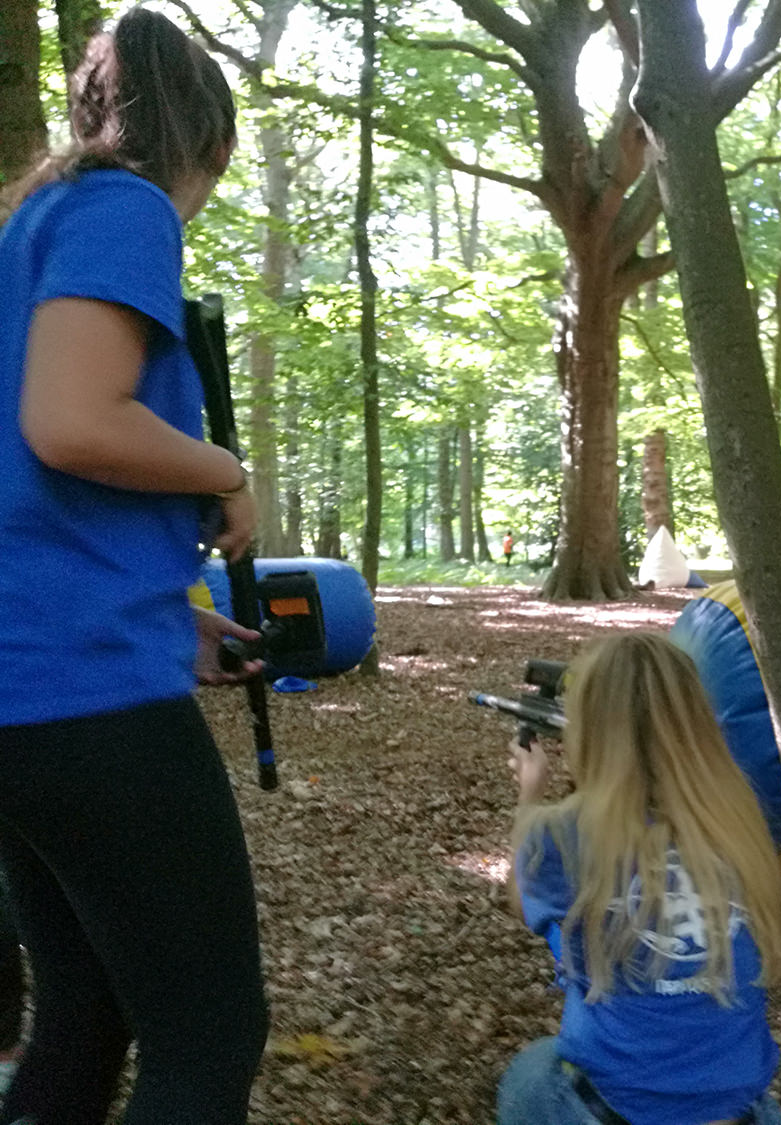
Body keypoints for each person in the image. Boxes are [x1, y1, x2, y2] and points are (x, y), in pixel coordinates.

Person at [0, 10, 270, 1124]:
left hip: (24, 684)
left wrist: (175, 616)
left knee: (81, 1011)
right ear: (205, 143)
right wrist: (225, 466)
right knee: (208, 1038)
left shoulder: (30, 223)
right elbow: (68, 425)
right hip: (83, 694)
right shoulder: (125, 208)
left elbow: (29, 491)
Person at [497, 633, 781, 1125]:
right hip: (739, 1112)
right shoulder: (739, 822)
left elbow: (524, 904)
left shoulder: (559, 833)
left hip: (614, 1112)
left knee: (531, 1071)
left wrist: (530, 799)